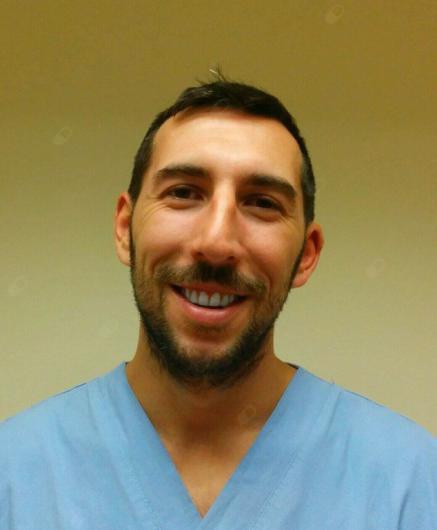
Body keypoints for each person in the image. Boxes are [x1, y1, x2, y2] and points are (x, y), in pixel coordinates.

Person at [1, 75, 436, 530]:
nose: (216, 242)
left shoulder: (409, 484)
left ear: (306, 255)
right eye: (183, 193)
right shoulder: (14, 477)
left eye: (262, 203)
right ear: (125, 229)